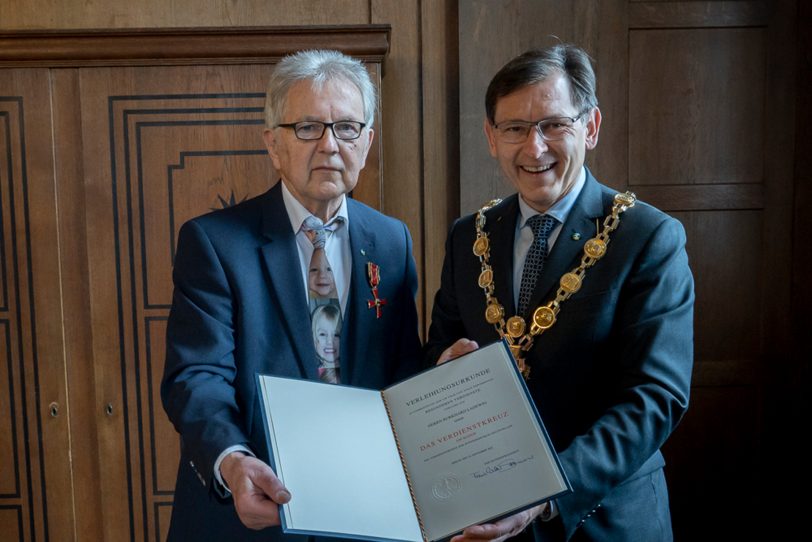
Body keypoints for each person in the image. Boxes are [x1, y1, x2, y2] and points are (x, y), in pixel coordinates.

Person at [425, 44, 694, 541]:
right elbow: (438, 354)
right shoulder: (469, 235)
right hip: (484, 517)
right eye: (514, 129)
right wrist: (441, 380)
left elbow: (655, 398)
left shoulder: (648, 236)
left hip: (606, 519)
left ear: (590, 127)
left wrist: (547, 494)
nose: (535, 148)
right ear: (490, 137)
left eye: (554, 125)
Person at [161, 49, 422, 541]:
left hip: (365, 509)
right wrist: (233, 462)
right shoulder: (215, 242)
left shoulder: (392, 240)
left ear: (367, 142)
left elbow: (401, 369)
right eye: (307, 127)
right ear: (273, 144)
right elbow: (196, 376)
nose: (329, 145)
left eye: (347, 127)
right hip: (253, 509)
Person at [312, 303, 341, 377]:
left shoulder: (352, 369)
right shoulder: (311, 372)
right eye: (322, 334)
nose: (329, 341)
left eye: (336, 335)